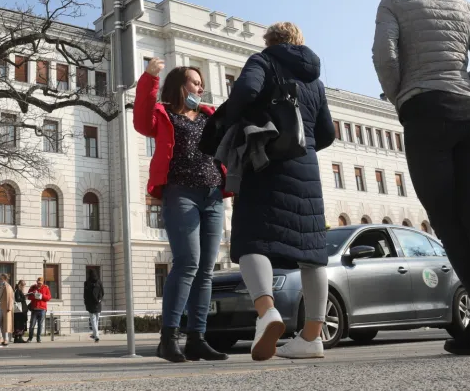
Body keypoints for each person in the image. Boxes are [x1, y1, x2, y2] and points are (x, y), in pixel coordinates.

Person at [372, 0, 470, 357]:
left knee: (449, 225)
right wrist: (463, 85)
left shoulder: (394, 2)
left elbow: (385, 56)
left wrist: (402, 98)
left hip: (426, 114)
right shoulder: (462, 3)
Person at [213, 22, 335, 361]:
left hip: (265, 161)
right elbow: (327, 133)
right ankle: (312, 336)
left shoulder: (263, 61)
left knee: (251, 239)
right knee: (312, 252)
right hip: (307, 169)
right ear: (299, 41)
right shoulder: (315, 80)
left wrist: (233, 123)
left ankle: (267, 312)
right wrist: (303, 142)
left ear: (270, 40)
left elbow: (245, 93)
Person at [133, 57, 230, 363]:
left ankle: (198, 339)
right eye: (194, 83)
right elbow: (140, 120)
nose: (199, 88)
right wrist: (149, 79)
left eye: (201, 84)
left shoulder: (209, 116)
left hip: (213, 195)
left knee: (205, 269)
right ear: (179, 86)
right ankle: (168, 337)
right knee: (187, 262)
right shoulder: (162, 115)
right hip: (180, 193)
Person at [26, 277, 52, 343]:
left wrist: (42, 296)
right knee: (32, 324)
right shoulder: (33, 287)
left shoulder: (46, 288)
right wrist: (34, 296)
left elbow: (49, 297)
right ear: (36, 282)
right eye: (38, 283)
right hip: (34, 308)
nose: (39, 284)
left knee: (40, 325)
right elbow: (28, 296)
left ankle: (38, 338)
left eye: (40, 283)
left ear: (43, 282)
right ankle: (30, 338)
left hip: (42, 309)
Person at [83, 269, 104, 343]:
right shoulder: (99, 282)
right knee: (97, 320)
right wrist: (99, 300)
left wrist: (86, 303)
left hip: (90, 305)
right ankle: (96, 334)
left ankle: (96, 335)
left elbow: (85, 295)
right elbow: (102, 292)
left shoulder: (86, 283)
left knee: (93, 321)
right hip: (98, 304)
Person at [0, 274, 14, 347]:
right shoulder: (2, 287)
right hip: (1, 308)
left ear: (4, 278)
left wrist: (9, 307)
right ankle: (2, 338)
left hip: (5, 308)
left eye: (1, 278)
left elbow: (10, 298)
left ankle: (4, 339)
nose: (0, 279)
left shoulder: (7, 286)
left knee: (5, 323)